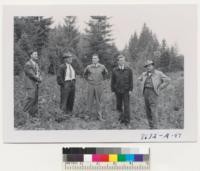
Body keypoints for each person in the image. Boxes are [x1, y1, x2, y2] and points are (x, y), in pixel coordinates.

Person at [138, 60, 170, 129]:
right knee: (148, 110)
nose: (148, 67)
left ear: (153, 66)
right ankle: (151, 126)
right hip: (145, 92)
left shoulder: (158, 73)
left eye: (149, 66)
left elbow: (168, 80)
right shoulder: (144, 74)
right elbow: (139, 79)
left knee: (153, 111)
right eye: (146, 66)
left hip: (153, 92)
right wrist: (141, 82)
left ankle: (155, 128)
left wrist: (160, 87)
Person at [83, 54, 108, 121]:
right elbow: (84, 74)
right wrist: (89, 80)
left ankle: (99, 116)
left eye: (95, 58)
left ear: (98, 59)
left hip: (99, 85)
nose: (94, 59)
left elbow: (106, 74)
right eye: (93, 58)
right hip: (91, 85)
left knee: (98, 101)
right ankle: (87, 116)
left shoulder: (102, 67)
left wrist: (101, 80)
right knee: (89, 101)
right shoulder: (89, 67)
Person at [111, 54, 133, 125]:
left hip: (126, 91)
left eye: (123, 60)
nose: (121, 61)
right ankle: (120, 120)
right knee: (118, 106)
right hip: (118, 91)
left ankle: (127, 122)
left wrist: (130, 90)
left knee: (126, 107)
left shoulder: (129, 70)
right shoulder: (114, 70)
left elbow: (131, 81)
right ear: (118, 62)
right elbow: (112, 81)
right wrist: (113, 90)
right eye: (120, 60)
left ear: (124, 61)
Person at [57, 52, 76, 116]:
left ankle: (69, 113)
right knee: (64, 100)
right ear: (66, 59)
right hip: (66, 84)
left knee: (71, 99)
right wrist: (63, 84)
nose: (71, 59)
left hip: (72, 83)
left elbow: (74, 76)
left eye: (71, 57)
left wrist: (73, 83)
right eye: (70, 57)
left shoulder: (71, 66)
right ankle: (61, 115)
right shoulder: (62, 67)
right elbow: (59, 77)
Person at [23, 51, 42, 117]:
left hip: (36, 84)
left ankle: (33, 116)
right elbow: (31, 74)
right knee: (30, 99)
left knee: (35, 100)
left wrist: (40, 76)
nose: (37, 55)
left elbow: (38, 73)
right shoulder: (28, 64)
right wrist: (39, 79)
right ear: (31, 55)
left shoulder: (36, 64)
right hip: (30, 84)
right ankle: (24, 114)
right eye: (35, 54)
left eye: (37, 54)